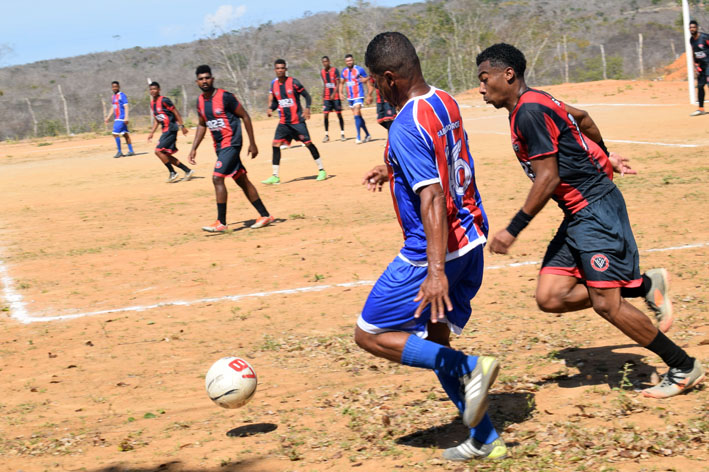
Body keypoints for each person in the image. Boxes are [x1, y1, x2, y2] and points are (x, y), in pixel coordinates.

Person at [475, 43, 704, 399]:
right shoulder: (537, 100)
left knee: (605, 304)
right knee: (550, 297)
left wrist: (513, 229)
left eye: (484, 78)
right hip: (578, 214)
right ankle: (644, 285)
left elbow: (547, 178)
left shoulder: (528, 113)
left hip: (595, 209)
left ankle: (683, 366)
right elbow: (581, 118)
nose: (480, 87)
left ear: (508, 75)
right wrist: (605, 156)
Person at [356, 32, 506, 462]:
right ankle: (485, 439)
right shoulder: (443, 100)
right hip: (471, 238)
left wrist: (435, 271)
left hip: (432, 253)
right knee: (436, 339)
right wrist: (393, 168)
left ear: (389, 78)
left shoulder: (404, 124)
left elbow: (433, 196)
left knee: (370, 334)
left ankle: (471, 369)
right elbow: (440, 155)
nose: (373, 90)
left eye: (373, 82)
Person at [188, 65, 274, 232]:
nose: (204, 81)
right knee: (241, 180)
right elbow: (201, 124)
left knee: (217, 178)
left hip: (232, 144)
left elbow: (245, 116)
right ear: (196, 81)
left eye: (207, 77)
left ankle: (221, 222)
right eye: (201, 79)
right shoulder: (200, 102)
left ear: (212, 79)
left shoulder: (225, 97)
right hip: (220, 147)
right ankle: (265, 215)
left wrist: (252, 143)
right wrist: (193, 148)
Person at [262, 59, 327, 185]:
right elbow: (277, 101)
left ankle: (321, 170)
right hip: (284, 123)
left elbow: (307, 96)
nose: (280, 70)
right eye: (278, 68)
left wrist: (307, 108)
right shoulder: (274, 85)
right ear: (275, 70)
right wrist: (271, 108)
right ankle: (275, 176)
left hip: (297, 121)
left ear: (286, 69)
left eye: (282, 68)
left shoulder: (293, 82)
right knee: (275, 145)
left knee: (308, 144)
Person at [147, 82, 194, 182]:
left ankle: (173, 173)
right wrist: (152, 132)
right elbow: (157, 119)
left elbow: (175, 112)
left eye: (155, 89)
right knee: (165, 155)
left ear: (159, 90)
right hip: (165, 130)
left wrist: (182, 126)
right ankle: (187, 170)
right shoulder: (152, 104)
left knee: (158, 151)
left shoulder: (164, 100)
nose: (153, 91)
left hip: (171, 129)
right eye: (151, 89)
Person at [339, 54, 373, 144]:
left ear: (353, 60)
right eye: (347, 61)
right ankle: (367, 134)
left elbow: (367, 80)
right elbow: (341, 83)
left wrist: (369, 94)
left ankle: (358, 136)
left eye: (350, 60)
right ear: (345, 62)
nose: (349, 62)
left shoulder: (359, 69)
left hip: (359, 95)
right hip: (350, 97)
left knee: (356, 114)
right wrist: (340, 93)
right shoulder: (344, 71)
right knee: (358, 117)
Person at [104, 81, 135, 158]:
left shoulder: (122, 95)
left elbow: (126, 106)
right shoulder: (113, 97)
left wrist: (126, 117)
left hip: (121, 118)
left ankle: (119, 151)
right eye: (113, 87)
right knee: (125, 134)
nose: (114, 88)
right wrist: (108, 117)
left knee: (115, 133)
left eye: (116, 87)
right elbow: (113, 108)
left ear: (119, 87)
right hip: (117, 118)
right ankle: (131, 151)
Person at [320, 56, 345, 142]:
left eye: (326, 61)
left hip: (335, 97)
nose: (325, 63)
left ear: (329, 62)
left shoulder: (335, 70)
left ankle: (342, 133)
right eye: (323, 62)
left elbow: (338, 83)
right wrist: (323, 95)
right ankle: (326, 135)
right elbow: (325, 84)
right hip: (327, 97)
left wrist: (334, 94)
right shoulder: (322, 72)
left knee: (339, 114)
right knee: (326, 115)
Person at [689, 20, 709, 116]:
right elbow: (694, 52)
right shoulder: (691, 40)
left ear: (697, 28)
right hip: (701, 66)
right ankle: (701, 109)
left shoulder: (705, 37)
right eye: (690, 27)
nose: (692, 29)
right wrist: (696, 65)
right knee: (700, 86)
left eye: (693, 27)